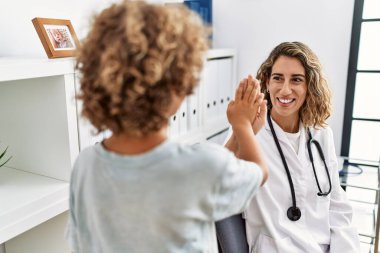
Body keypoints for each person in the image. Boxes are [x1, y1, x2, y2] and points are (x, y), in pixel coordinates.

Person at [65, 1, 268, 252]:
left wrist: (240, 134)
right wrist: (243, 127)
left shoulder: (86, 164)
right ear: (179, 84)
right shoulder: (201, 165)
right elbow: (259, 172)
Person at [225, 42, 360, 252]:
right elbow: (214, 183)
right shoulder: (250, 134)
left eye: (296, 80)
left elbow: (337, 205)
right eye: (278, 78)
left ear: (309, 87)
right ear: (267, 83)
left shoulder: (320, 134)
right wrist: (240, 128)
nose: (285, 89)